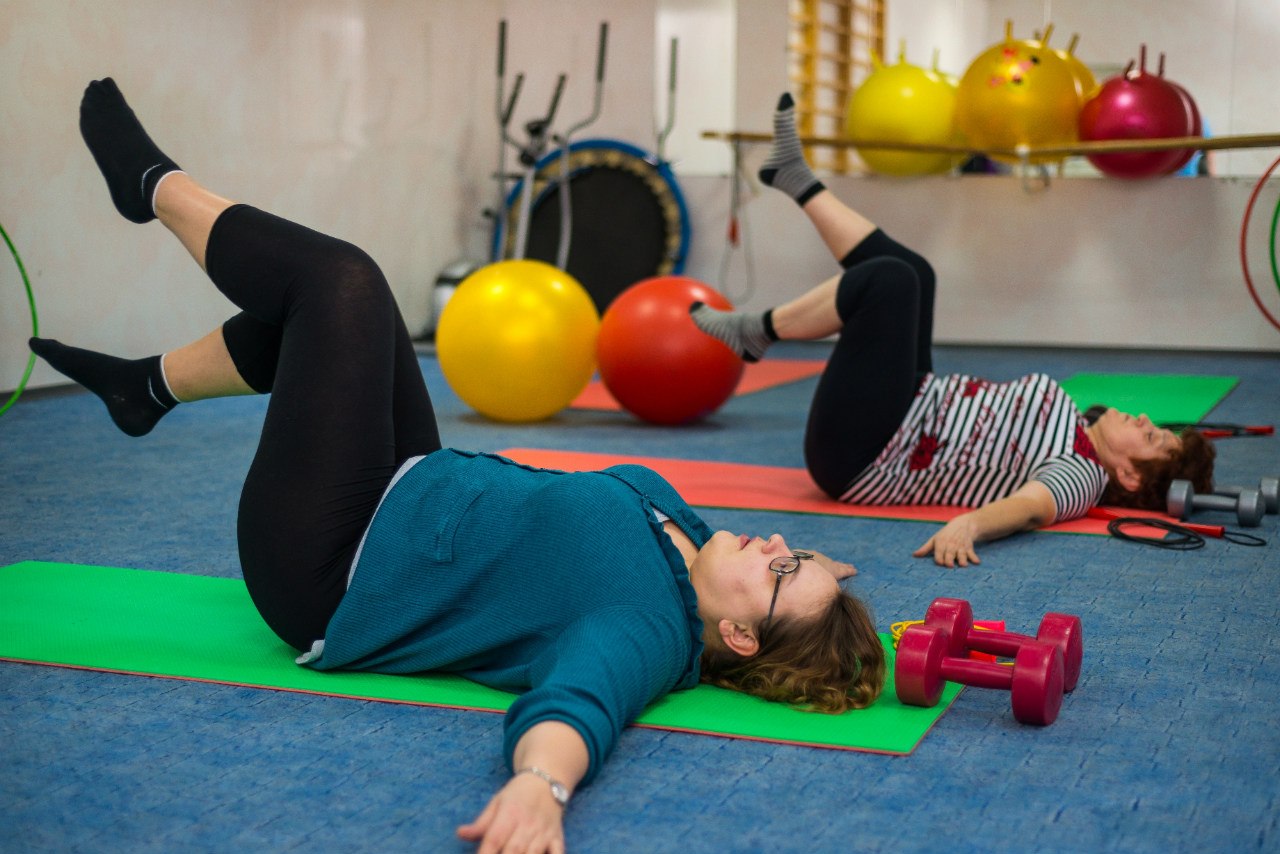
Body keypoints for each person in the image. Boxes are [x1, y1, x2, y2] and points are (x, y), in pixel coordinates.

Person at [32, 79, 886, 854]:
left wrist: (541, 786)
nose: (778, 544)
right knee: (351, 320)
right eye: (793, 551)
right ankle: (146, 388)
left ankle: (152, 187)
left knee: (341, 284)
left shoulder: (643, 631)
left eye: (782, 569)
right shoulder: (693, 544)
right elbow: (783, 587)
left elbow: (579, 707)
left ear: (738, 637)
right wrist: (818, 579)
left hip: (334, 568)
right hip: (410, 485)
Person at [691, 93, 1216, 569]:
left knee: (891, 283)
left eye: (1150, 436)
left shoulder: (1081, 476)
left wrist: (970, 525)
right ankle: (795, 179)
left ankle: (758, 332)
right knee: (917, 274)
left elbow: (1030, 507)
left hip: (865, 454)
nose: (1144, 420)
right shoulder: (1081, 430)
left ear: (1129, 476)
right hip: (909, 405)